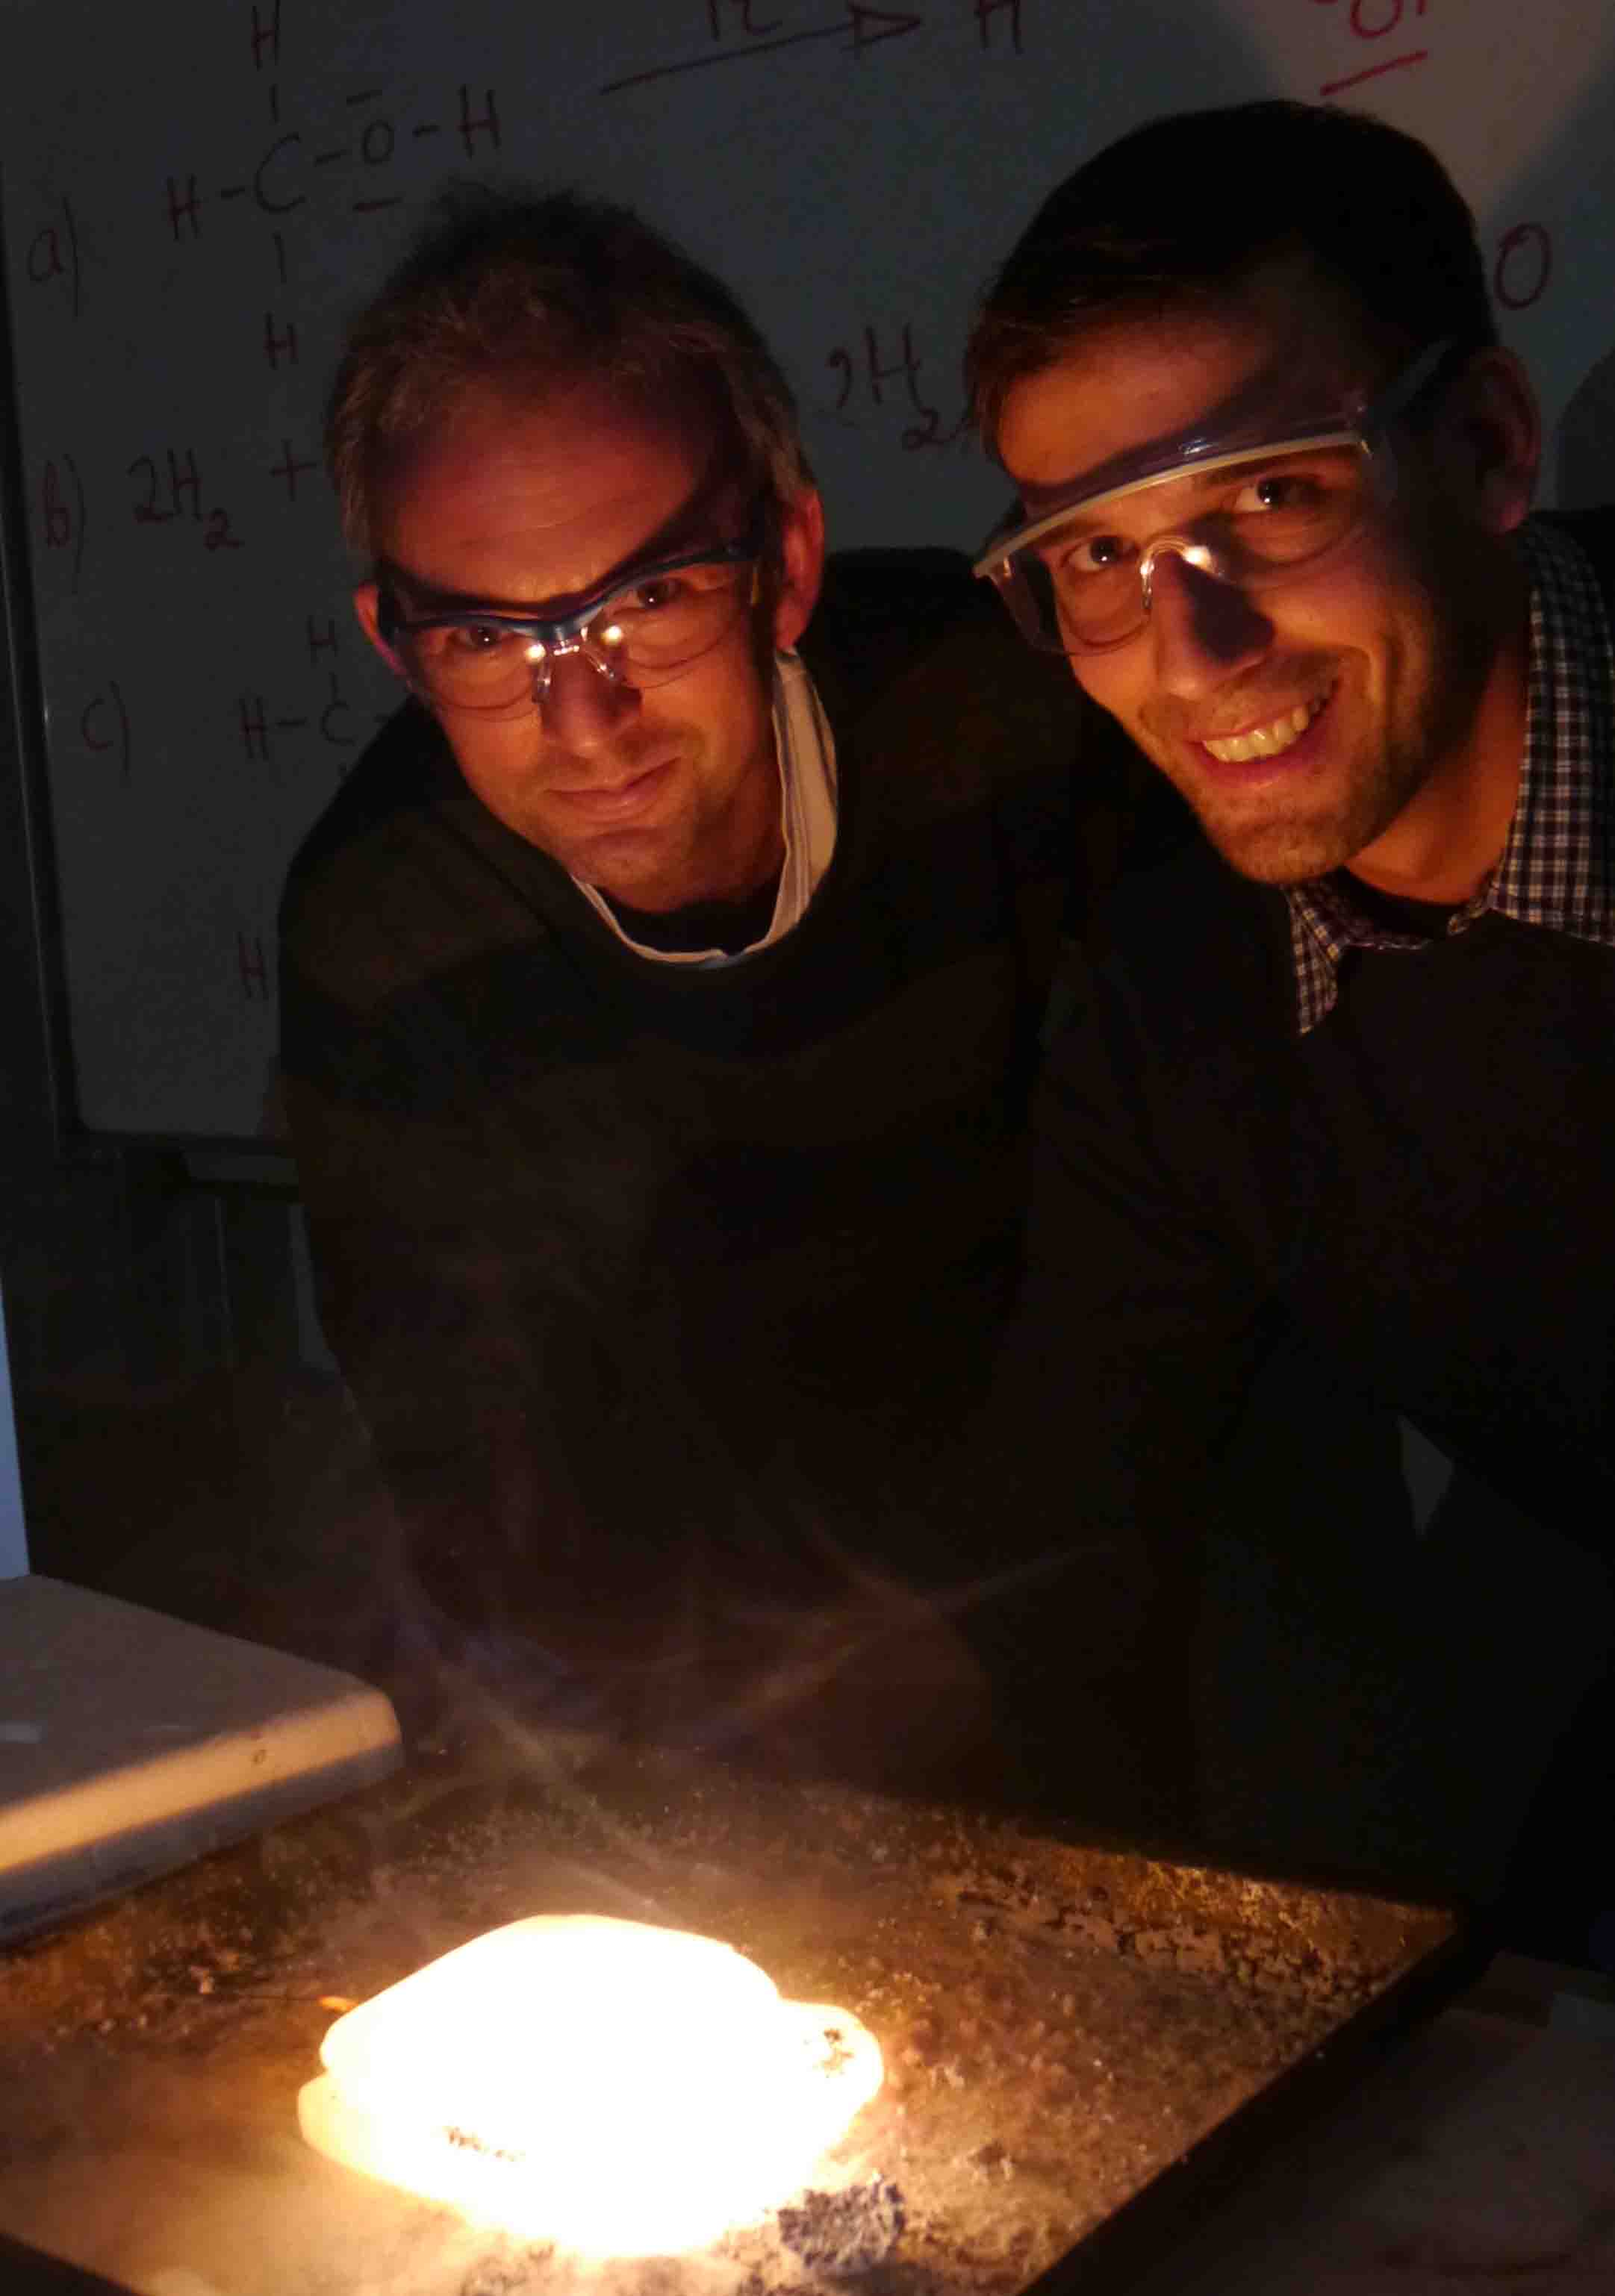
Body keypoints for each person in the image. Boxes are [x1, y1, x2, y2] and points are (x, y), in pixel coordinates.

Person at [278, 184, 1100, 1786]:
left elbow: (1174, 1289)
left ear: (784, 562)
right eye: (489, 642)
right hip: (721, 1706)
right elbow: (471, 1461)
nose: (585, 723)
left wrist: (972, 1657)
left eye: (648, 600)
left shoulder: (1015, 715)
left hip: (1115, 1575)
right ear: (395, 643)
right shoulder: (390, 927)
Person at [964, 100, 1615, 1928]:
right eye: (1095, 556)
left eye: (1267, 495)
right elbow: (1065, 1544)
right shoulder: (1175, 1005)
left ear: (1484, 445)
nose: (1192, 653)